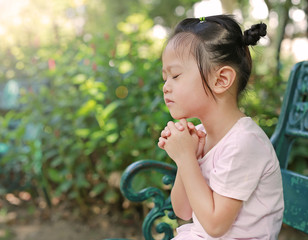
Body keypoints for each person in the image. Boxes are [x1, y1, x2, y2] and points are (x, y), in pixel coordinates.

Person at [157, 14, 284, 240]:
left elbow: (215, 226)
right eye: (165, 78)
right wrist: (187, 157)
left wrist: (186, 157)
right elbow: (183, 211)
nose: (166, 87)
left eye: (175, 75)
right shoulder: (203, 135)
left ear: (221, 79)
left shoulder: (244, 143)